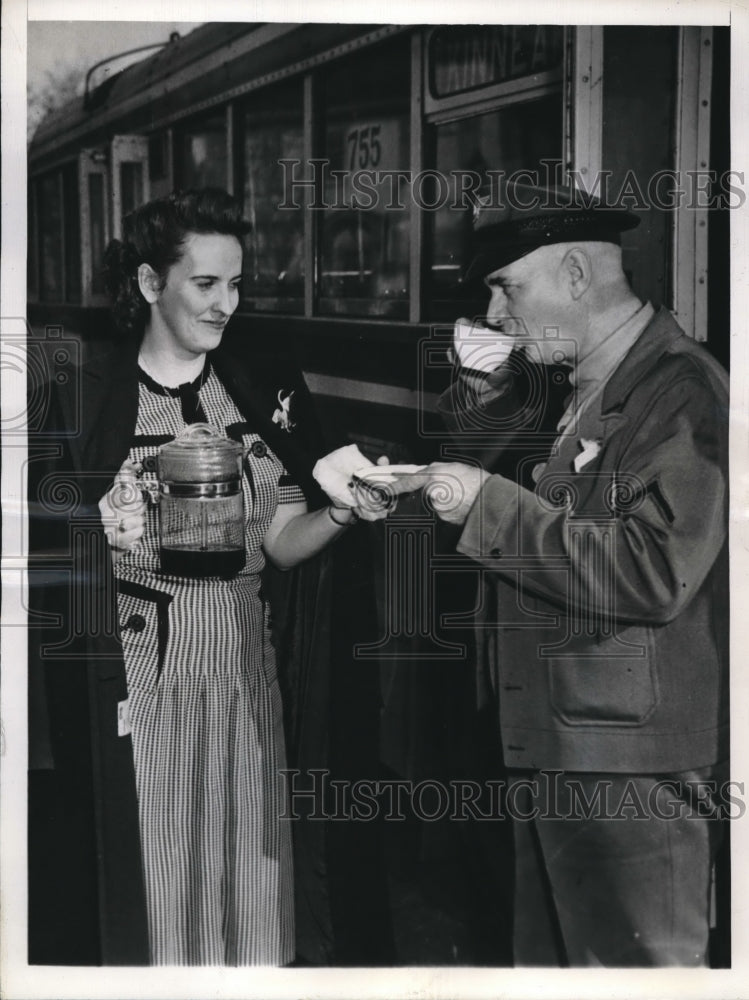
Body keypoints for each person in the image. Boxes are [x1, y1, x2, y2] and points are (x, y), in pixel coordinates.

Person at [28, 188, 384, 966]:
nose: (226, 304)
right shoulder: (83, 396)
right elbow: (35, 538)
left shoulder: (257, 391)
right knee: (157, 882)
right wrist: (92, 533)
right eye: (205, 284)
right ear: (152, 285)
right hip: (141, 676)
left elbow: (282, 543)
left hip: (245, 673)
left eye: (236, 284)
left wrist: (344, 515)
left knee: (248, 885)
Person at [390, 182, 729, 966]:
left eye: (506, 288)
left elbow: (653, 571)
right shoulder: (581, 385)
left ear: (576, 276)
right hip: (566, 745)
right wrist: (476, 414)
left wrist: (487, 506)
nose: (495, 315)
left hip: (628, 764)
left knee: (633, 972)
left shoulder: (681, 392)